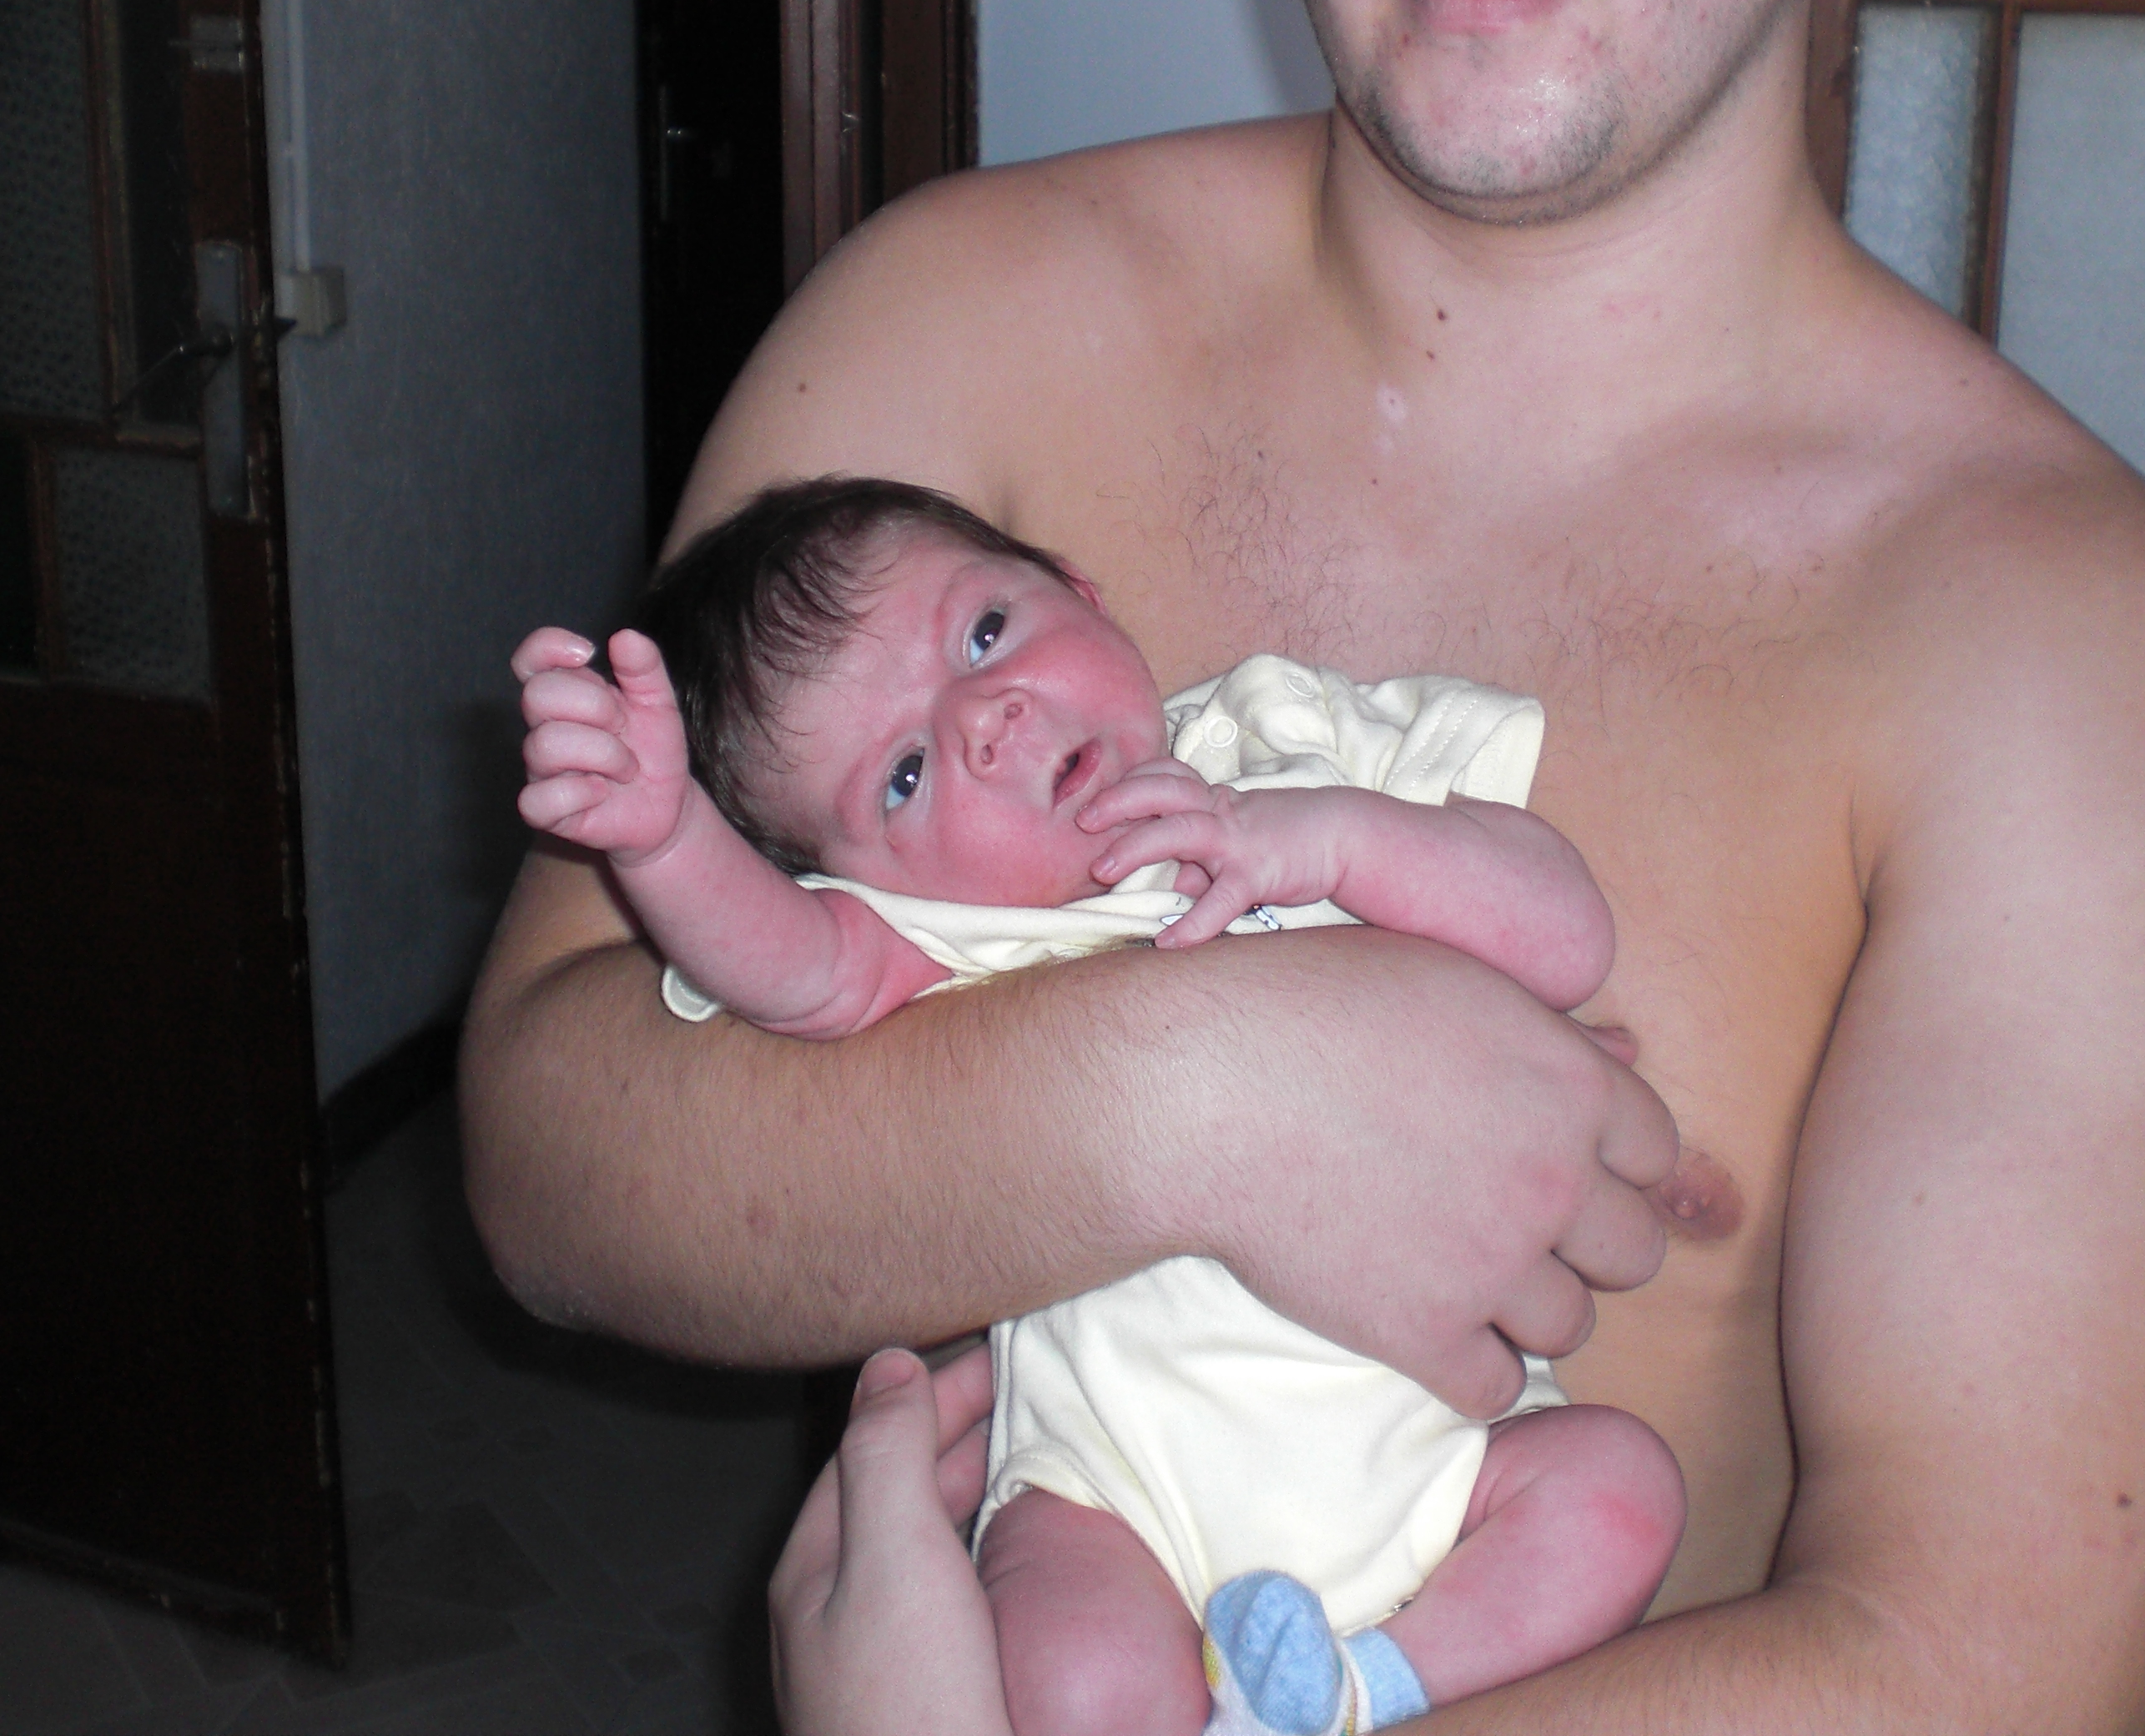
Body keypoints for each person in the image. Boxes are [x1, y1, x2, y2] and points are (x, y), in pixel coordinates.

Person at [463, 0, 2145, 1727]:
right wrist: (1200, 1097)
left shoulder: (2086, 666)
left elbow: (1974, 1671)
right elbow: (549, 1157)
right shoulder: (945, 330)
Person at [512, 476, 1683, 1733]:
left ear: (1080, 589)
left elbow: (1565, 936)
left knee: (1621, 1493)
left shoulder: (1295, 745)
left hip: (1434, 1451)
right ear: (855, 881)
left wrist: (1326, 839)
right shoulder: (961, 938)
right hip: (1121, 1494)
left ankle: (1365, 1688)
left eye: (984, 633)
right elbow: (797, 970)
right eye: (903, 777)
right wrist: (664, 839)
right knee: (1069, 1675)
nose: (986, 721)